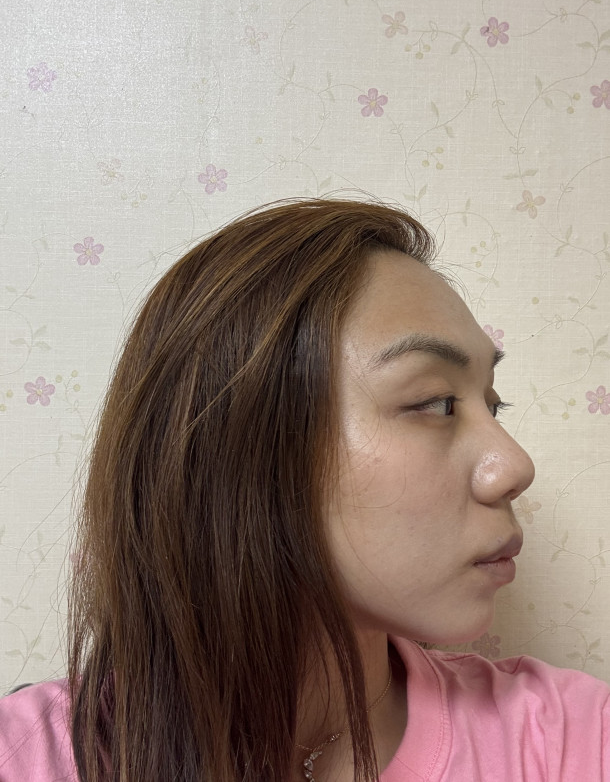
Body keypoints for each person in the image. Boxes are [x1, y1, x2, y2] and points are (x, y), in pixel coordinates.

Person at [1, 198, 608, 782]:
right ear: (238, 446)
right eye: (437, 402)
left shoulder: (570, 737)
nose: (513, 466)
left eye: (493, 405)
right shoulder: (27, 755)